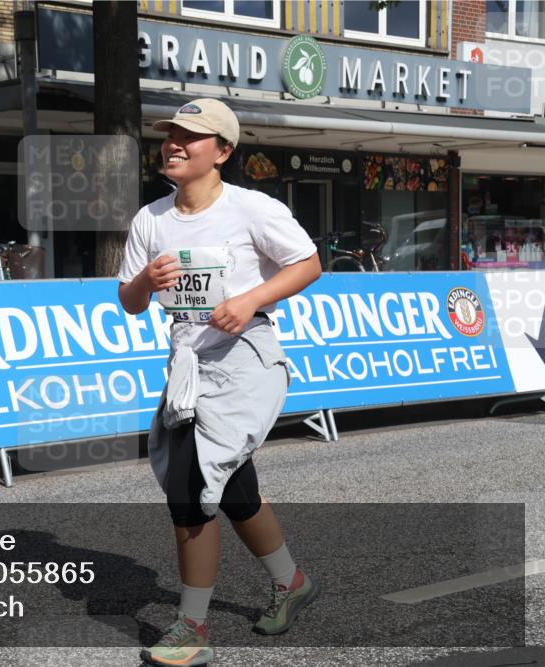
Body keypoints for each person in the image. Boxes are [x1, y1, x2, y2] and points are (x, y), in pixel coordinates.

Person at [116, 99, 323, 666]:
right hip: (188, 366)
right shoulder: (150, 219)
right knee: (231, 487)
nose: (175, 145)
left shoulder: (252, 208)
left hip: (244, 358)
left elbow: (307, 262)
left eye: (192, 137)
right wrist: (144, 279)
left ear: (223, 152)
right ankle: (292, 582)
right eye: (171, 135)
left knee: (190, 488)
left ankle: (192, 628)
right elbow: (130, 303)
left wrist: (250, 300)